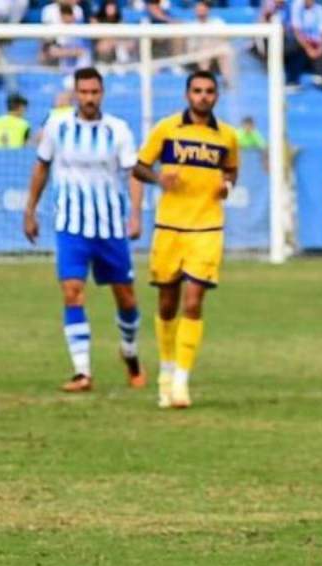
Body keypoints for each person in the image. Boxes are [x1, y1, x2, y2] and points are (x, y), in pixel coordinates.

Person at [21, 67, 144, 394]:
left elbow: (133, 173)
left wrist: (135, 214)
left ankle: (130, 352)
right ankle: (82, 372)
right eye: (84, 92)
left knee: (126, 297)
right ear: (76, 94)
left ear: (102, 93)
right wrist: (30, 210)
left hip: (110, 228)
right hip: (71, 227)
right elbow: (41, 167)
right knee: (72, 291)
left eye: (95, 92)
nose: (89, 98)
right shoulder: (56, 127)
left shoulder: (118, 130)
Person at [132, 70, 239, 411]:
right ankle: (165, 369)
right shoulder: (166, 129)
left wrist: (228, 186)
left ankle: (180, 381)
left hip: (207, 229)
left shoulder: (227, 136)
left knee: (193, 303)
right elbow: (138, 167)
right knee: (167, 304)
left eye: (209, 91)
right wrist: (159, 178)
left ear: (216, 96)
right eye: (197, 91)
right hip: (169, 228)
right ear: (187, 94)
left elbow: (231, 170)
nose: (203, 96)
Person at [288, 0, 322, 91]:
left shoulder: (320, 10)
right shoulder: (297, 6)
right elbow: (297, 31)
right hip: (302, 43)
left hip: (316, 43)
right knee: (296, 49)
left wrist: (321, 48)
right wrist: (309, 49)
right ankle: (292, 81)